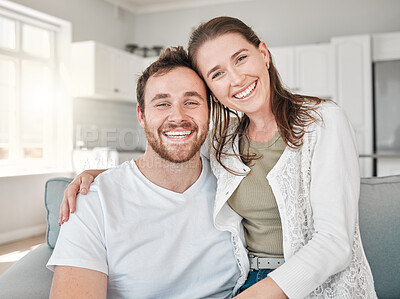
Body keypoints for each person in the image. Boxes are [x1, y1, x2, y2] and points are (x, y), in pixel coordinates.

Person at [60, 17, 377, 298]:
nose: (236, 79)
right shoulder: (225, 142)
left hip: (308, 285)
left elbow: (335, 243)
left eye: (241, 58)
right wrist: (98, 175)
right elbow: (172, 157)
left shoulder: (323, 121)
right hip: (248, 280)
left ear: (263, 54)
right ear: (213, 92)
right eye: (217, 73)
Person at [47, 46, 243, 298]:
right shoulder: (92, 201)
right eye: (162, 103)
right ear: (141, 115)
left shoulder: (233, 182)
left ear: (209, 112)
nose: (178, 116)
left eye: (191, 102)